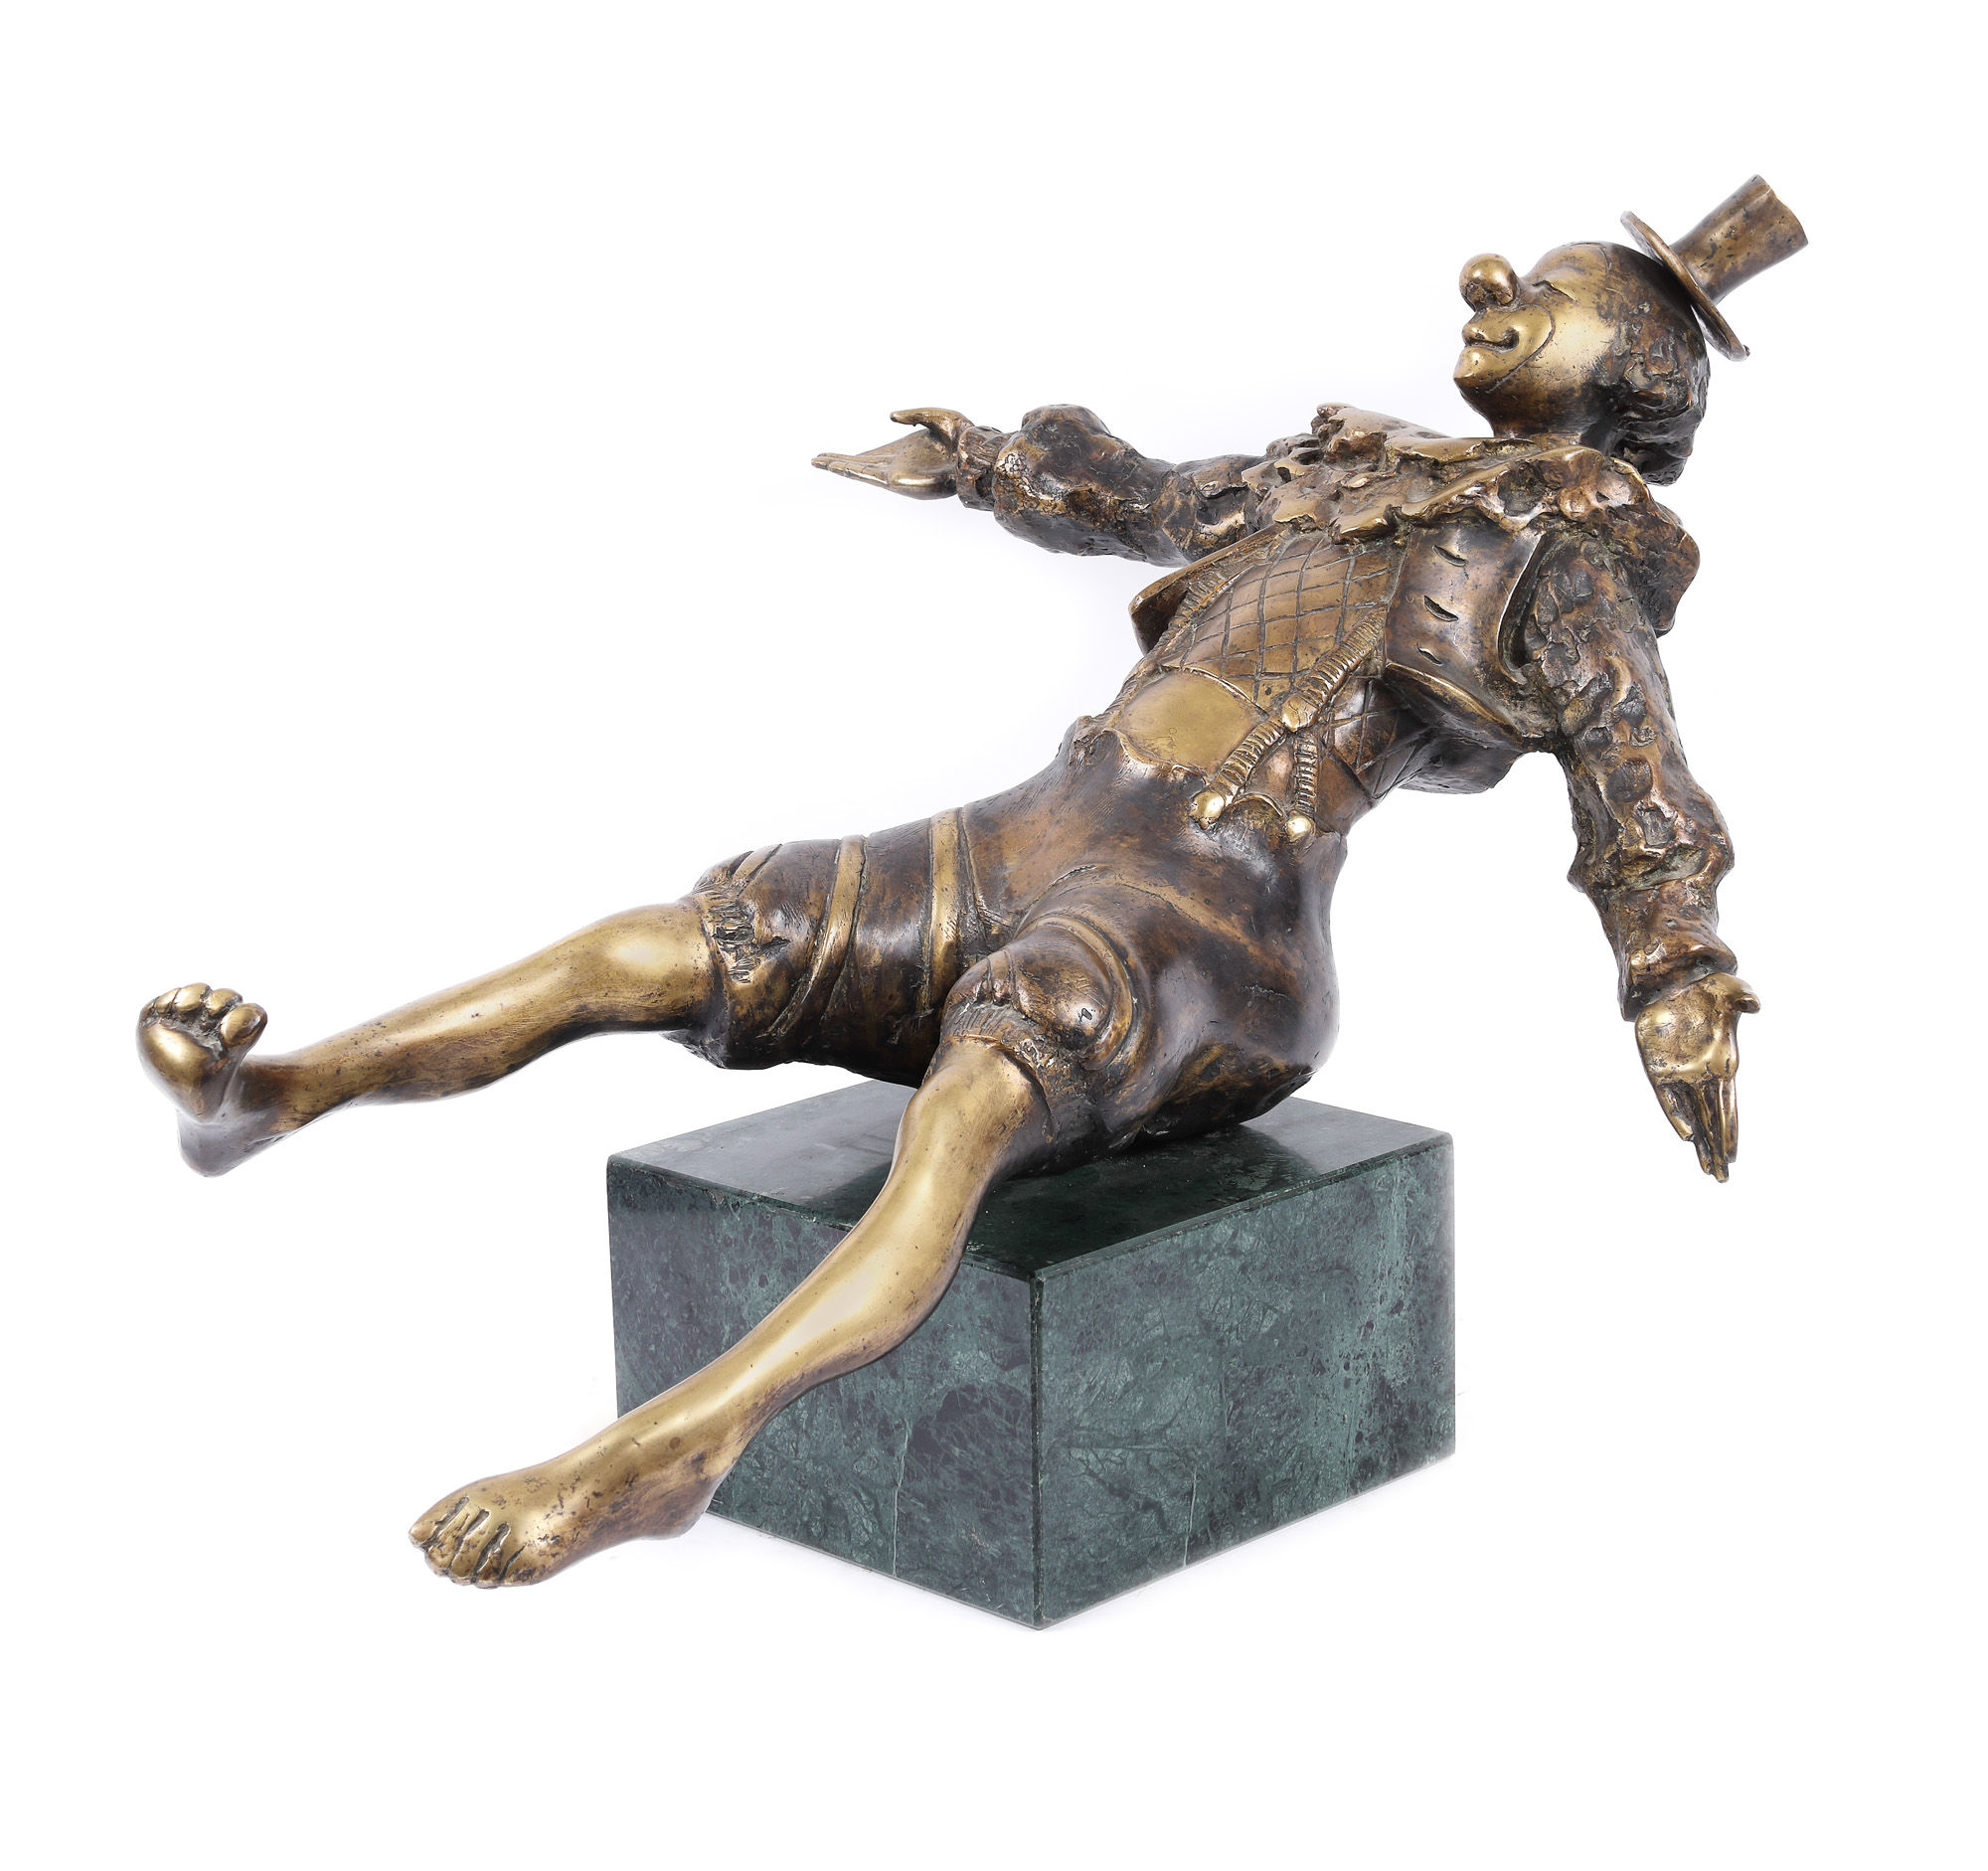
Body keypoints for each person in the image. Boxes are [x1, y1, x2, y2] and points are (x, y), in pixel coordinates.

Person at [136, 179, 1805, 1589]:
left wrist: (1677, 979)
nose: (1492, 281)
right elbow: (1147, 498)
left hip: (1214, 923)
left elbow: (1639, 773)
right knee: (677, 940)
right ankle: (275, 1094)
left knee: (967, 1111)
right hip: (1044, 825)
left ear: (1631, 366)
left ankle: (674, 1448)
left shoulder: (1567, 553)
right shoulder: (1343, 474)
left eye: (1551, 294)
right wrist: (993, 465)